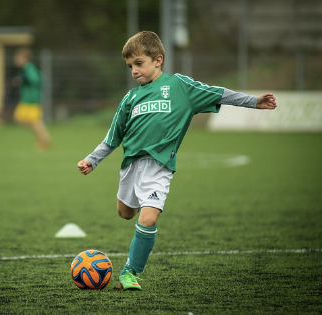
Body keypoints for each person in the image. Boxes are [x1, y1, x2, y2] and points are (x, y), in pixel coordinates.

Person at [77, 31, 277, 290]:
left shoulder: (180, 86)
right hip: (131, 167)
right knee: (125, 213)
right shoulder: (130, 98)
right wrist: (92, 160)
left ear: (158, 60)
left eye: (139, 63)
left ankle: (130, 272)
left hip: (159, 167)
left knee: (148, 219)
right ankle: (142, 210)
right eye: (130, 67)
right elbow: (113, 137)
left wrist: (253, 101)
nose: (134, 71)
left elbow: (218, 93)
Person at [13, 47, 51, 149]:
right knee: (22, 119)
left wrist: (24, 79)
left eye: (18, 57)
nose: (16, 59)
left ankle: (44, 138)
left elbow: (36, 80)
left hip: (31, 99)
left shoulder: (29, 68)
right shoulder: (26, 69)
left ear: (24, 58)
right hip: (27, 99)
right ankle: (43, 137)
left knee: (33, 121)